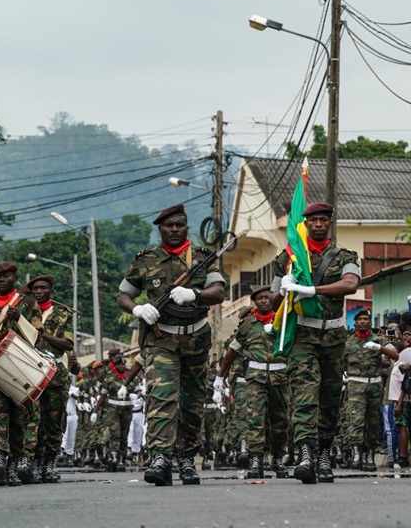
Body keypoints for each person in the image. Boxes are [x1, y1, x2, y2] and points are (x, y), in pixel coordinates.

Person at [117, 203, 226, 487]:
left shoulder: (204, 258)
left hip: (195, 338)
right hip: (161, 339)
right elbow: (123, 295)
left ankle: (187, 459)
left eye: (180, 225)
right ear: (160, 229)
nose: (175, 230)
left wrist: (195, 294)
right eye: (169, 226)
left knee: (191, 402)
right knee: (162, 396)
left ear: (186, 227)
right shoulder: (145, 260)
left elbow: (219, 292)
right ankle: (160, 458)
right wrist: (138, 309)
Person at [269, 202, 360, 484]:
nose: (319, 224)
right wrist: (285, 287)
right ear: (305, 224)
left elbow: (350, 284)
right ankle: (306, 454)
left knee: (330, 399)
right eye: (313, 220)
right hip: (304, 338)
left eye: (323, 220)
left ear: (329, 224)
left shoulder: (346, 255)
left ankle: (324, 454)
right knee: (305, 397)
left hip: (333, 338)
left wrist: (312, 289)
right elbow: (272, 301)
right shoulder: (289, 257)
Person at [0, 262, 45, 487]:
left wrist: (20, 319)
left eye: (5, 276)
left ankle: (14, 466)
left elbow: (38, 337)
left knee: (19, 420)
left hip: (22, 370)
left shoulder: (28, 303)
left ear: (14, 277)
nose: (1, 280)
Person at [217, 286, 291, 479]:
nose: (264, 301)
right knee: (255, 420)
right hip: (255, 378)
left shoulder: (283, 321)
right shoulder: (248, 324)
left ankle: (277, 458)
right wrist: (220, 377)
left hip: (280, 378)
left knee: (280, 421)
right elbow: (232, 351)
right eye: (260, 298)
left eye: (267, 297)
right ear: (255, 302)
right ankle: (256, 459)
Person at [21, 275, 73, 483]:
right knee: (32, 419)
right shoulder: (24, 313)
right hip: (29, 372)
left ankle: (48, 464)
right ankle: (30, 462)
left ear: (51, 290)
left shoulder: (62, 313)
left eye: (43, 288)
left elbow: (67, 344)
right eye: (35, 289)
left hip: (55, 374)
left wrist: (44, 336)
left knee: (53, 421)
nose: (39, 291)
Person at [341, 309, 398, 471]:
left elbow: (395, 355)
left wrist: (379, 348)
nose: (363, 322)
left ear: (370, 322)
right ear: (355, 323)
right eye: (360, 319)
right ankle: (356, 453)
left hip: (374, 385)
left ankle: (369, 454)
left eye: (366, 319)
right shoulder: (348, 343)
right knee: (356, 421)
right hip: (355, 386)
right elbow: (340, 363)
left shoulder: (378, 339)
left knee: (372, 422)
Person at [93, 348, 134, 472]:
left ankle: (121, 458)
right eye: (118, 363)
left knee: (124, 435)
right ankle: (113, 456)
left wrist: (137, 394)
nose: (121, 365)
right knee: (114, 434)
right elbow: (103, 394)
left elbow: (138, 387)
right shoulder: (108, 375)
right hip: (111, 410)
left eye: (122, 363)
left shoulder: (129, 375)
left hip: (127, 409)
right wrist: (95, 410)